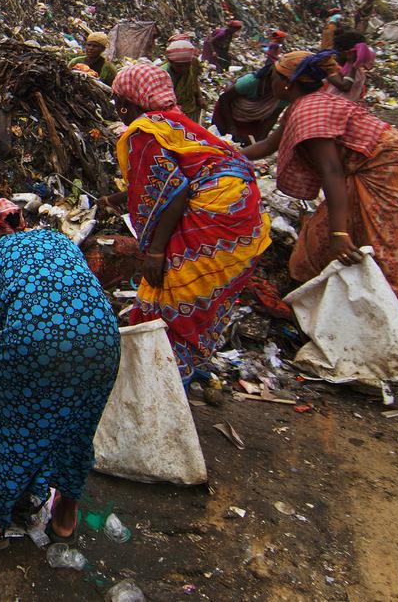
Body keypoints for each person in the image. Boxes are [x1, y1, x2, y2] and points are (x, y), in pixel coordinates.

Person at [0, 200, 120, 546]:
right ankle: (63, 517)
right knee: (78, 427)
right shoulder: (56, 240)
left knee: (4, 428)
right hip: (103, 339)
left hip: (36, 343)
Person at [101, 63, 271, 381]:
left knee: (171, 293)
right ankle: (175, 368)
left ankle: (165, 378)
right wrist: (114, 199)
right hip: (243, 214)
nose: (118, 110)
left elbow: (173, 192)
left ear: (126, 103)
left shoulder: (145, 132)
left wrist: (155, 252)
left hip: (214, 217)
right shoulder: (175, 122)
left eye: (117, 103)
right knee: (188, 297)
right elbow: (180, 174)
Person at [242, 52, 398, 325]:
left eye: (272, 77)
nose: (268, 82)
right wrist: (222, 153)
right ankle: (328, 321)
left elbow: (332, 171)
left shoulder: (309, 111)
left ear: (286, 83)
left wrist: (339, 231)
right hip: (365, 171)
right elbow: (268, 145)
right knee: (315, 245)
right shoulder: (301, 105)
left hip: (391, 173)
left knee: (381, 258)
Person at [210, 63, 287, 144]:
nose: (285, 84)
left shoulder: (283, 96)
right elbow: (224, 99)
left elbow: (272, 118)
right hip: (227, 113)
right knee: (218, 140)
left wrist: (260, 142)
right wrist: (231, 128)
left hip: (251, 121)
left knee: (244, 144)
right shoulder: (251, 81)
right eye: (282, 79)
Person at [163, 40, 207, 122]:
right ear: (170, 61)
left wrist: (199, 97)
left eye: (187, 64)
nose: (184, 68)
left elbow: (194, 80)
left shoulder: (193, 62)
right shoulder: (164, 74)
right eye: (179, 66)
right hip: (174, 113)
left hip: (191, 106)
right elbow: (164, 102)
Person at [333, 27, 375, 102]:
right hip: (331, 108)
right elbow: (345, 87)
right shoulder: (330, 66)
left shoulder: (357, 68)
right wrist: (352, 63)